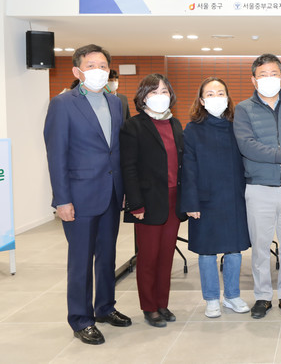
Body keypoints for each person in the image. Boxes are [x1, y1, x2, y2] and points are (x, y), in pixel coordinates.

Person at [43, 44, 132, 345]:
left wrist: (124, 190)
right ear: (77, 71)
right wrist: (62, 199)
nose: (98, 71)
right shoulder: (63, 104)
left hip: (111, 193)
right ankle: (81, 319)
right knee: (81, 260)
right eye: (91, 65)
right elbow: (56, 154)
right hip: (79, 196)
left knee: (107, 256)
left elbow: (119, 150)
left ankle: (105, 307)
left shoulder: (116, 102)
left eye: (103, 66)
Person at [233, 54, 281, 319]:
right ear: (253, 79)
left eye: (274, 74)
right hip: (258, 187)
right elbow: (246, 145)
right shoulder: (243, 109)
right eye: (263, 75)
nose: (269, 79)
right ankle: (262, 296)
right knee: (261, 247)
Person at [181, 77, 251, 319]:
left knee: (234, 250)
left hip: (234, 197)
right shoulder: (192, 129)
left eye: (220, 93)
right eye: (210, 94)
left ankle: (232, 295)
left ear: (228, 98)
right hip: (204, 199)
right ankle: (211, 298)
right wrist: (191, 202)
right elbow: (188, 169)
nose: (216, 98)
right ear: (201, 101)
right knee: (207, 251)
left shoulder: (237, 126)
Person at [120, 74, 186, 327]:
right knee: (148, 258)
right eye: (153, 92)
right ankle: (149, 306)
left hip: (173, 200)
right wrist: (135, 204)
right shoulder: (133, 126)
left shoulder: (175, 124)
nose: (160, 96)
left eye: (164, 91)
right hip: (147, 203)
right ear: (143, 97)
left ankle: (162, 303)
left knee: (166, 257)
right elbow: (129, 168)